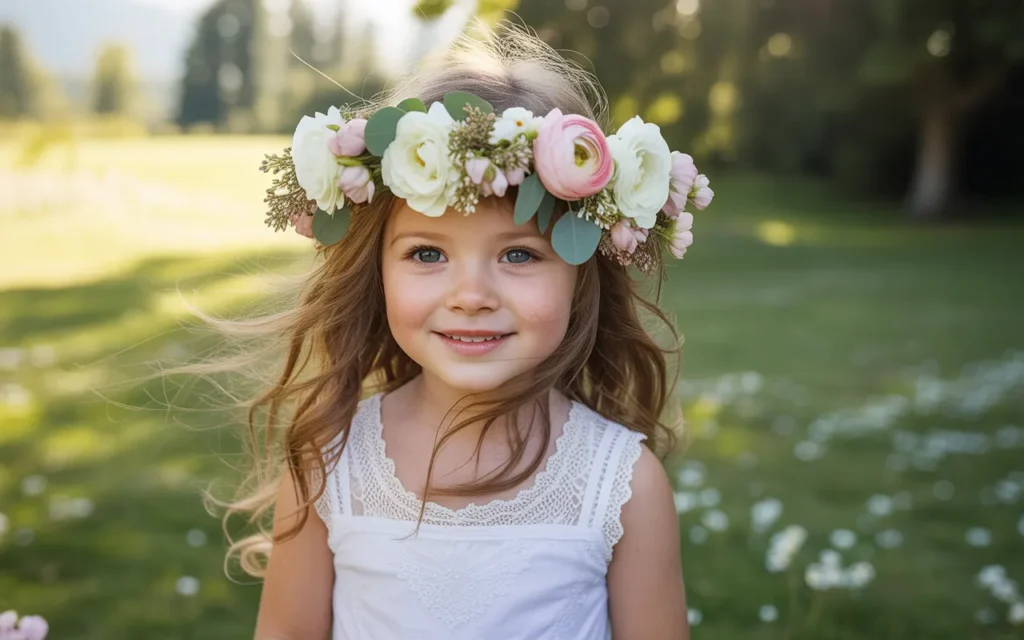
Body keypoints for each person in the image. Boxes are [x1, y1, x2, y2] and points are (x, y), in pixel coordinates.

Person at [223, 22, 713, 640]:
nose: (471, 296)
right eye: (428, 254)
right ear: (376, 271)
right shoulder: (327, 464)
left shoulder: (622, 486)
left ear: (581, 274)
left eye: (519, 255)